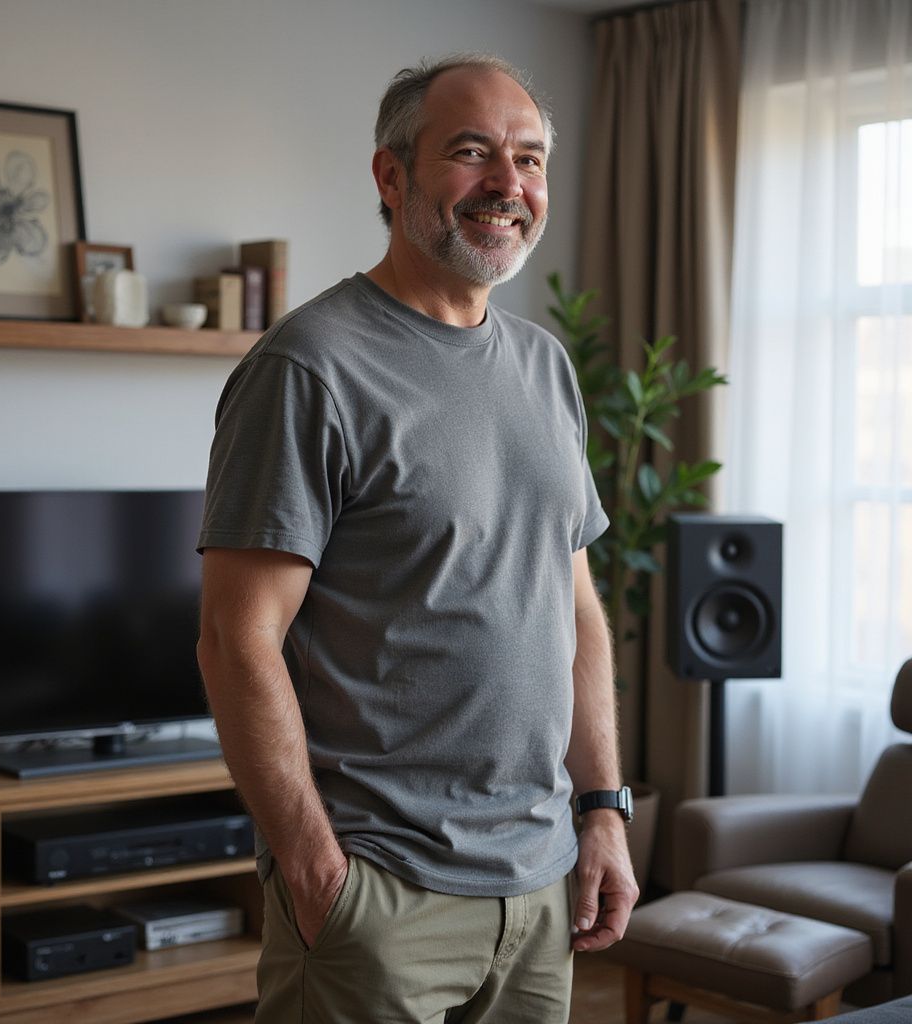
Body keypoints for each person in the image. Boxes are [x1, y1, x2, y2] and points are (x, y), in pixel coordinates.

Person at [196, 51, 638, 1024]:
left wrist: (601, 810)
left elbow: (575, 611)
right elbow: (237, 638)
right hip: (379, 889)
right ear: (390, 176)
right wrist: (318, 873)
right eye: (471, 152)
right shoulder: (309, 368)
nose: (506, 185)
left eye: (527, 159)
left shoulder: (543, 367)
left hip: (537, 888)